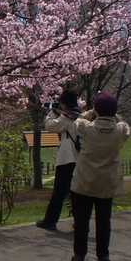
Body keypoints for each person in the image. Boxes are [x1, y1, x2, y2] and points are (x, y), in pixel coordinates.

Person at [69, 92, 131, 261]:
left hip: (84, 181)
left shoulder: (86, 127)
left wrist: (91, 112)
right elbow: (124, 124)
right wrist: (113, 114)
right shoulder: (120, 131)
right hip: (107, 182)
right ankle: (103, 257)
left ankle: (79, 255)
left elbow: (79, 119)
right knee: (104, 221)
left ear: (96, 109)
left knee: (81, 221)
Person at [36, 90, 81, 231]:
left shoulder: (66, 118)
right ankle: (80, 222)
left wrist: (50, 113)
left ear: (64, 103)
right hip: (79, 159)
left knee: (59, 192)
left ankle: (50, 221)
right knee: (76, 192)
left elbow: (50, 126)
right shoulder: (80, 116)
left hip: (67, 159)